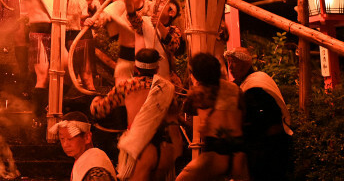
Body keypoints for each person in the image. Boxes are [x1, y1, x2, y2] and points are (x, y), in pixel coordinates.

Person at [91, 48, 181, 181]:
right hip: (166, 148)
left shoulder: (128, 86)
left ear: (135, 68)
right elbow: (173, 117)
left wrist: (95, 101)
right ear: (156, 69)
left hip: (141, 149)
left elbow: (99, 110)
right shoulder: (166, 88)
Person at [224, 47, 293, 181]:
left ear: (245, 64)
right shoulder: (247, 82)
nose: (230, 67)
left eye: (234, 62)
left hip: (268, 150)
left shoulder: (256, 84)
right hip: (263, 147)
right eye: (229, 62)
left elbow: (257, 122)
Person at [176, 53, 247, 181]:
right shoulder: (235, 89)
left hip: (216, 154)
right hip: (239, 153)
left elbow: (187, 109)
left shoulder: (199, 93)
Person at [23, 0, 55, 123]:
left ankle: (48, 107)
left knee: (60, 71)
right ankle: (37, 116)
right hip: (38, 32)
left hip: (54, 33)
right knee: (42, 75)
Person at [52, 111, 116, 181]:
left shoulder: (96, 169)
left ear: (87, 137)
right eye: (62, 139)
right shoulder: (82, 161)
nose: (65, 144)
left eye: (70, 139)